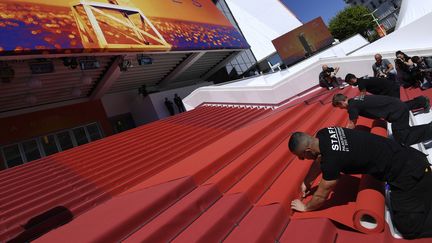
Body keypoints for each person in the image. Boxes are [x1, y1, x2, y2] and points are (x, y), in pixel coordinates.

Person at [288, 128, 432, 239]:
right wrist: (307, 181)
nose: (302, 160)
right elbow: (319, 159)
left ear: (307, 151)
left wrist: (306, 208)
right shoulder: (324, 133)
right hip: (410, 157)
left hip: (408, 174)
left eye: (301, 157)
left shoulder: (331, 161)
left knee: (408, 228)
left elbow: (321, 196)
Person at [332, 94, 432, 146]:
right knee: (402, 133)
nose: (341, 109)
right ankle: (428, 126)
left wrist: (342, 136)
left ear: (341, 102)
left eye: (339, 107)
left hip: (396, 111)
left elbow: (351, 124)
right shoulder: (356, 99)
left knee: (403, 138)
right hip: (396, 106)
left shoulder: (352, 106)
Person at [344, 73, 429, 110]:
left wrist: (354, 102)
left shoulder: (361, 84)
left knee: (398, 107)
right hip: (390, 87)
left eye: (349, 83)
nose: (351, 85)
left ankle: (422, 101)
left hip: (390, 89)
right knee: (396, 106)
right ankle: (421, 101)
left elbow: (362, 96)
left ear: (352, 80)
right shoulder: (363, 78)